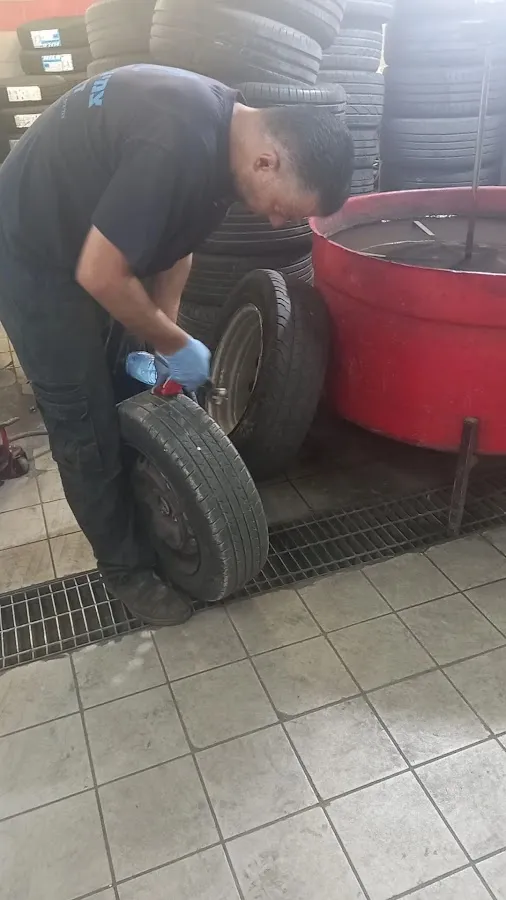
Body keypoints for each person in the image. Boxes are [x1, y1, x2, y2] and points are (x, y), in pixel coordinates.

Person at [0, 64, 354, 626]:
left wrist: (163, 329)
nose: (276, 221)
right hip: (30, 254)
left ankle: (134, 507)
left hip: (85, 237)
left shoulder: (226, 141)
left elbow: (178, 243)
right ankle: (124, 570)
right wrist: (177, 341)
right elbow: (99, 273)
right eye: (285, 208)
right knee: (83, 422)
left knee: (121, 384)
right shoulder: (175, 144)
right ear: (268, 161)